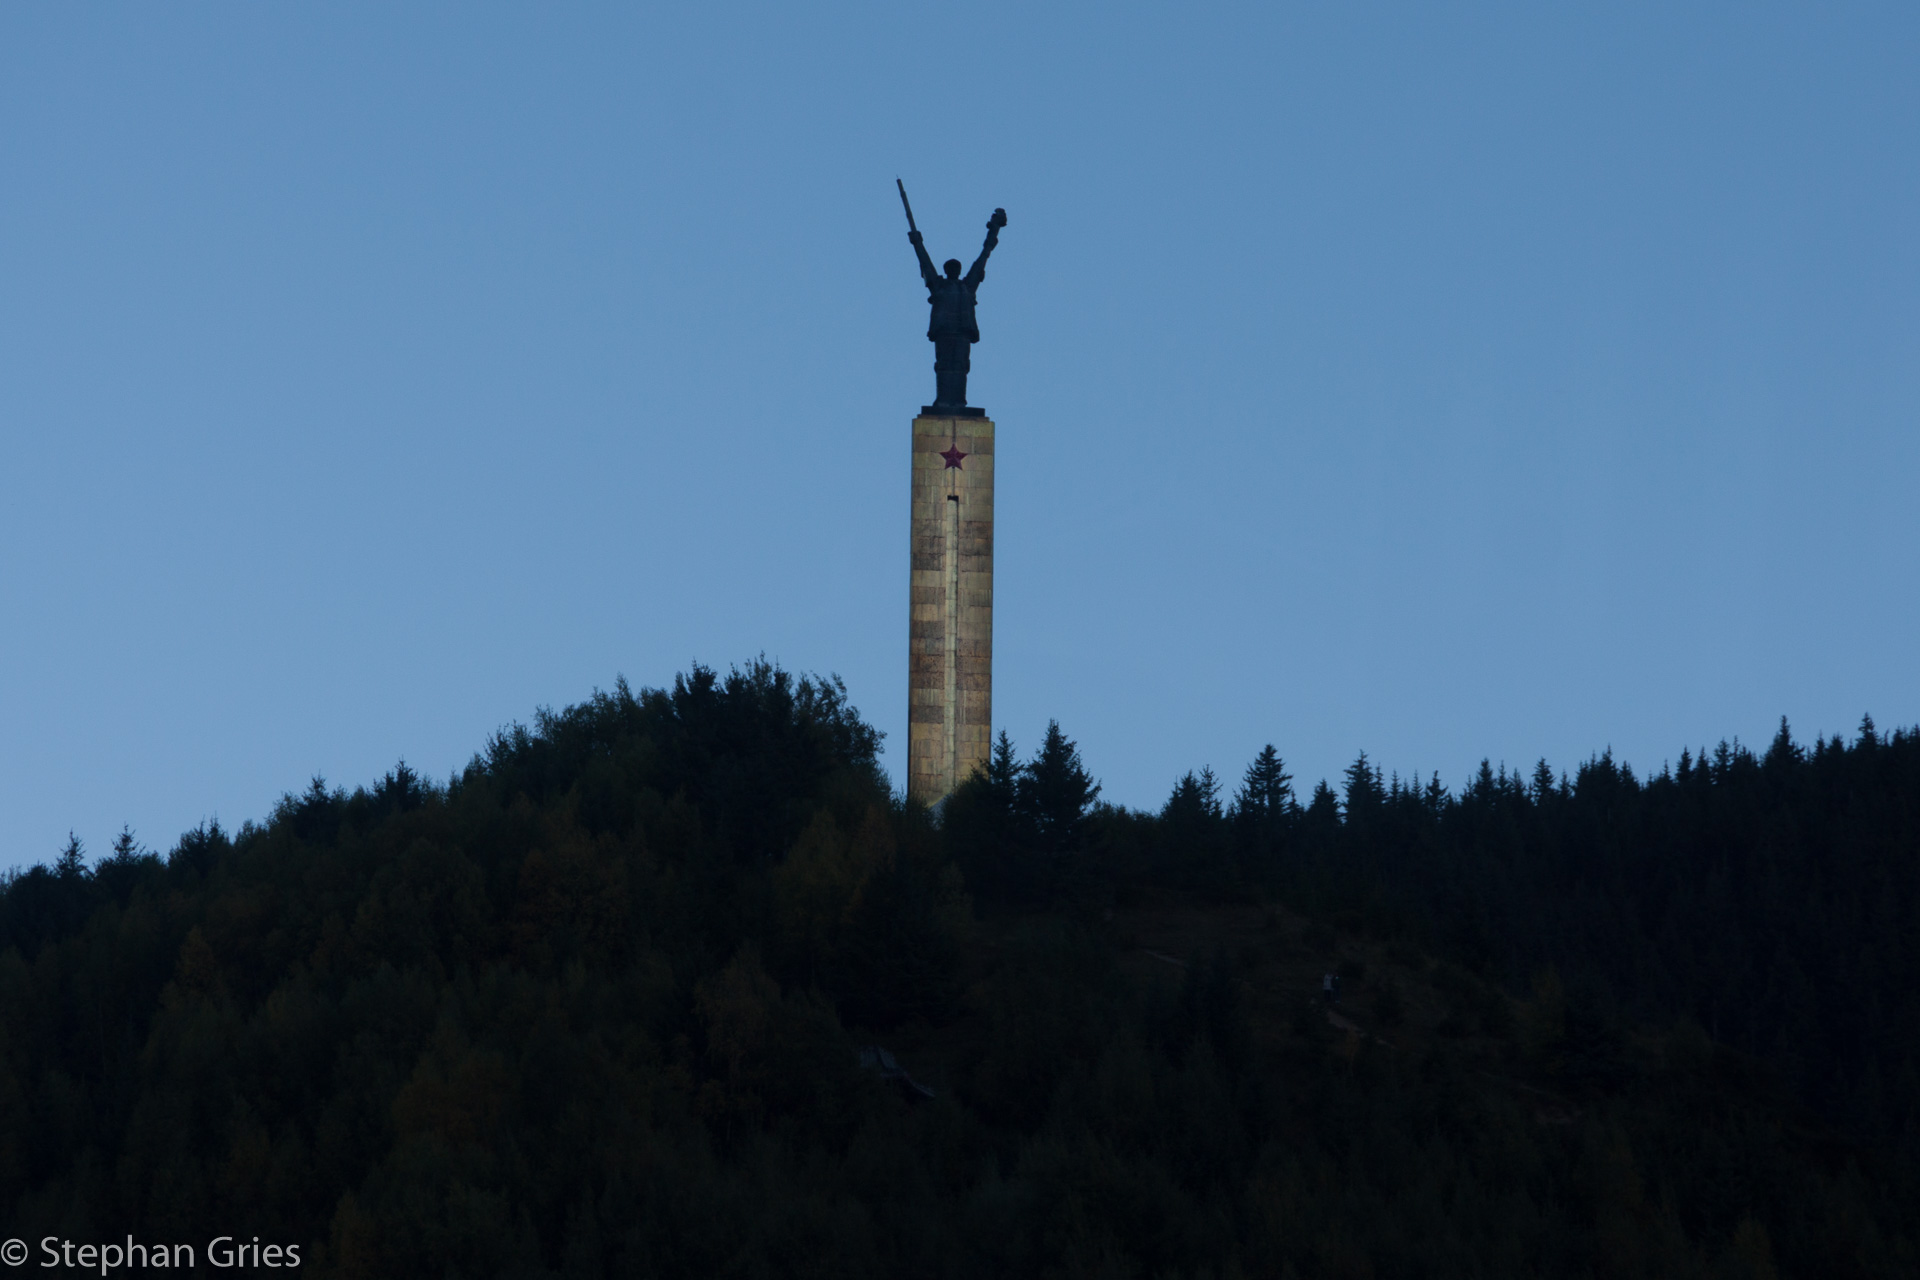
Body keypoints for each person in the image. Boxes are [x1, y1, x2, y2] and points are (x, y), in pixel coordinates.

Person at [909, 208, 1006, 411]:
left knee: (961, 367)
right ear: (947, 271)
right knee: (944, 367)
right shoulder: (939, 286)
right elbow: (925, 264)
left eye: (956, 268)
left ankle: (959, 400)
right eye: (951, 268)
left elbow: (983, 258)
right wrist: (917, 242)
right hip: (945, 332)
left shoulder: (967, 287)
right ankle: (943, 400)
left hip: (961, 333)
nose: (954, 270)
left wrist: (994, 230)